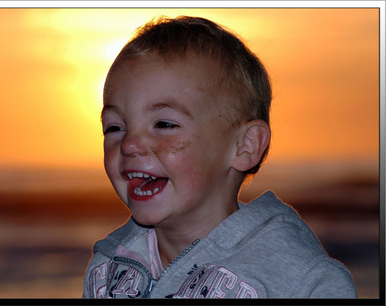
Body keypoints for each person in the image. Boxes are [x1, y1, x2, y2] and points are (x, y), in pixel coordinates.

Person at [82, 16, 357, 298]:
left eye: (164, 124)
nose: (129, 144)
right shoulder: (108, 268)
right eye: (115, 127)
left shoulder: (296, 278)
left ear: (244, 146)